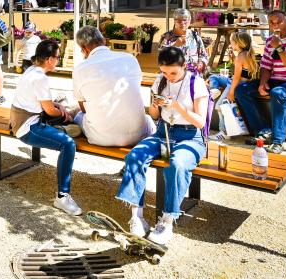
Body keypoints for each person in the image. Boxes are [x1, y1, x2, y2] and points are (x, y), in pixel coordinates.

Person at [116, 46, 208, 244]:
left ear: (184, 66)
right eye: (164, 72)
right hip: (163, 133)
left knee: (177, 164)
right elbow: (155, 116)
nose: (169, 77)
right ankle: (137, 218)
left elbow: (200, 122)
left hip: (190, 137)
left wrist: (178, 107)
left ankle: (167, 221)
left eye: (173, 73)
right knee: (134, 156)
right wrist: (155, 106)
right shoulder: (160, 81)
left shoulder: (197, 83)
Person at [11, 39, 82, 216]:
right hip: (27, 126)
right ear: (50, 59)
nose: (58, 60)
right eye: (58, 57)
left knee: (64, 107)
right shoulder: (40, 78)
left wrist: (59, 108)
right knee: (68, 144)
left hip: (23, 120)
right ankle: (62, 196)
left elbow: (46, 105)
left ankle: (64, 127)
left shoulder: (31, 70)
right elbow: (49, 110)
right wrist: (64, 114)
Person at [235, 10, 286, 153]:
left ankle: (278, 142)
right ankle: (264, 131)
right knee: (241, 90)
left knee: (278, 93)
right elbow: (266, 66)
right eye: (272, 22)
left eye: (279, 21)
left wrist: (280, 48)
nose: (275, 25)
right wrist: (262, 83)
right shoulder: (270, 40)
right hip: (277, 80)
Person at [72, 26, 156, 147]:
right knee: (146, 118)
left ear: (84, 48)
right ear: (104, 41)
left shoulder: (80, 69)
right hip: (138, 135)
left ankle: (70, 128)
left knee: (78, 115)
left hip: (101, 137)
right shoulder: (130, 59)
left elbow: (83, 108)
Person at [207, 32, 260, 140]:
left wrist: (231, 92)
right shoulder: (247, 54)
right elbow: (245, 73)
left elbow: (236, 77)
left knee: (219, 106)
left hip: (235, 83)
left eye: (231, 42)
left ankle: (224, 132)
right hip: (241, 82)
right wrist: (233, 59)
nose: (230, 43)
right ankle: (214, 89)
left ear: (238, 43)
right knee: (214, 77)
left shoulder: (240, 57)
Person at [158, 8, 208, 74]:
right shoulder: (166, 37)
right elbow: (161, 58)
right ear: (174, 21)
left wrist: (201, 63)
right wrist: (175, 45)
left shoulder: (195, 35)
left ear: (189, 21)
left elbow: (203, 55)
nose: (182, 23)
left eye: (185, 20)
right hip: (174, 75)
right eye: (179, 20)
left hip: (194, 75)